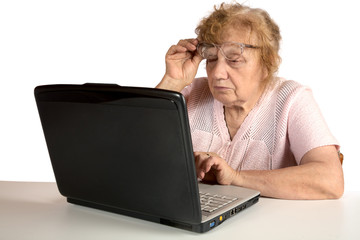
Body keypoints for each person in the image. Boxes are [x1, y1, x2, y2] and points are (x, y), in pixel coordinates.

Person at [156, 2, 344, 199]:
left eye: (234, 59)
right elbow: (127, 153)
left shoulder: (291, 99)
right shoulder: (190, 92)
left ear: (266, 63)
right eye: (211, 59)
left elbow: (330, 180)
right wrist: (171, 82)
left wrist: (235, 177)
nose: (218, 73)